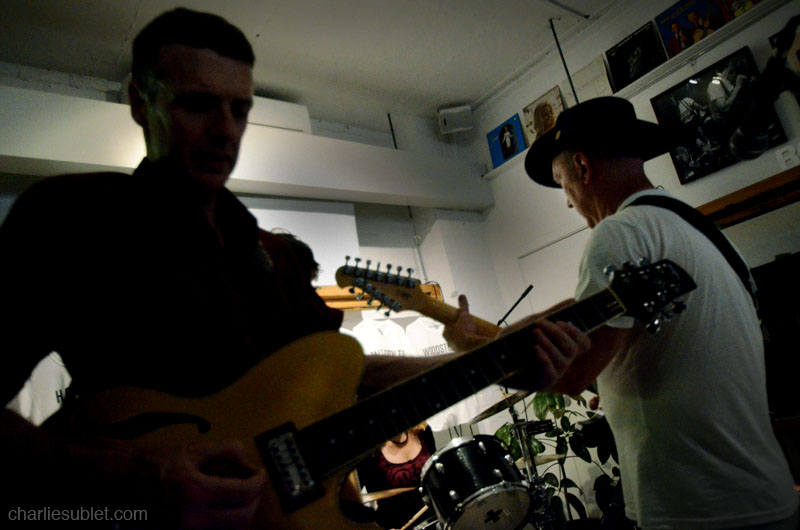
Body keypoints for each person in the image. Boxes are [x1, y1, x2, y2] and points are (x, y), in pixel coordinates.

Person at [0, 8, 589, 529]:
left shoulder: (268, 252)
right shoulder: (71, 217)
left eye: (239, 109)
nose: (224, 130)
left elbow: (346, 373)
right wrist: (133, 477)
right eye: (198, 103)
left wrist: (495, 362)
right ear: (138, 101)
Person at [493, 96, 797, 529]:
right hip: (768, 494)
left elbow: (573, 373)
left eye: (562, 184)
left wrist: (474, 349)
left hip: (698, 510)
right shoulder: (702, 230)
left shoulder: (620, 232)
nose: (568, 203)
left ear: (582, 166)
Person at [356, 423, 434, 530]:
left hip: (434, 517)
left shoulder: (422, 431)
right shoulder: (369, 452)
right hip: (396, 525)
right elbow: (351, 505)